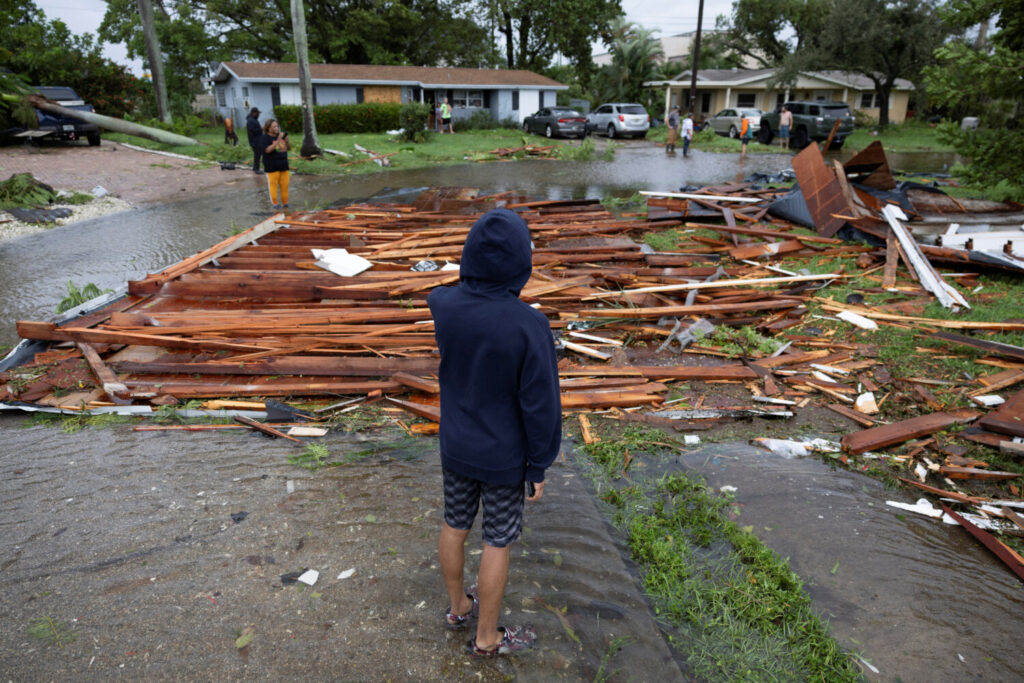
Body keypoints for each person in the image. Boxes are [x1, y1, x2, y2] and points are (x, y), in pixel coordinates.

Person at [427, 208, 561, 658]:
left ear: (469, 257)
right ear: (521, 265)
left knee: (454, 524)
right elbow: (540, 405)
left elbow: (438, 292)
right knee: (496, 540)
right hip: (504, 457)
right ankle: (486, 639)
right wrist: (539, 463)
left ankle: (457, 607)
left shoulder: (443, 305)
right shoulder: (530, 326)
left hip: (456, 446)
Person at [259, 118, 290, 209]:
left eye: (277, 126)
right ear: (268, 128)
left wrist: (287, 141)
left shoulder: (281, 136)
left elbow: (287, 148)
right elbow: (267, 150)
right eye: (274, 127)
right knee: (273, 186)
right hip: (271, 166)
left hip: (283, 165)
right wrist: (278, 140)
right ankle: (275, 205)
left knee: (285, 185)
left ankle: (285, 204)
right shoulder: (264, 138)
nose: (277, 128)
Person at [246, 107, 264, 174]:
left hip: (257, 140)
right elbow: (253, 131)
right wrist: (261, 129)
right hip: (255, 141)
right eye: (258, 113)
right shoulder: (251, 121)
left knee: (258, 155)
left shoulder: (253, 119)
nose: (259, 115)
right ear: (254, 113)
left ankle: (255, 168)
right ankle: (257, 169)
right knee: (257, 155)